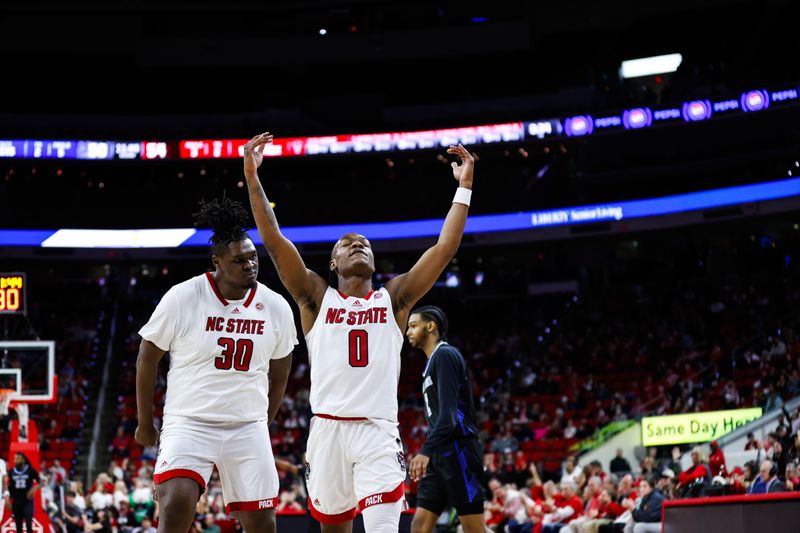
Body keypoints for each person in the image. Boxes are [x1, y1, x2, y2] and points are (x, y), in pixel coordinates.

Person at [242, 131, 476, 532]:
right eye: (348, 243)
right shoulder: (316, 297)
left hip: (377, 431)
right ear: (332, 264)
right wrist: (252, 177)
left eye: (365, 243)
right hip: (327, 429)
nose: (358, 245)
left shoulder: (395, 299)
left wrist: (465, 187)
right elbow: (274, 239)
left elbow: (444, 248)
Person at [135, 195, 297, 533]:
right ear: (217, 262)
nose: (250, 265)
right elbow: (147, 358)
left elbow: (280, 375)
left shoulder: (276, 306)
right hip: (190, 421)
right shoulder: (183, 297)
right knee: (176, 502)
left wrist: (261, 422)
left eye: (253, 258)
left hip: (246, 426)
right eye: (239, 260)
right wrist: (145, 423)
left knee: (263, 524)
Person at [404, 305, 486, 533]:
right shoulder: (432, 362)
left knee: (474, 528)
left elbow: (449, 417)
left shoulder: (446, 355)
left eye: (413, 326)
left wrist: (425, 451)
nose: (408, 332)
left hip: (459, 450)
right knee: (419, 525)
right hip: (441, 453)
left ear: (430, 326)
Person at [7, 453, 41, 533]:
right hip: (16, 501)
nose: (15, 460)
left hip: (27, 501)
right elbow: (9, 488)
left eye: (18, 458)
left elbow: (42, 482)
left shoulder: (30, 470)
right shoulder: (11, 471)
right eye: (14, 458)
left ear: (23, 460)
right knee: (18, 526)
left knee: (29, 524)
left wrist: (34, 488)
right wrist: (8, 500)